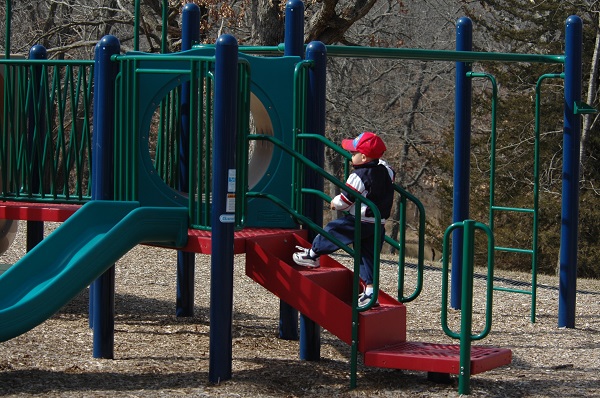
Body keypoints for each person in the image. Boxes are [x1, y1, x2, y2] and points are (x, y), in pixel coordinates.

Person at [293, 131, 395, 308]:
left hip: (360, 220)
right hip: (378, 223)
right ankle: (371, 293)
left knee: (333, 230)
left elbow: (346, 200)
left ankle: (313, 254)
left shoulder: (358, 176)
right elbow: (388, 168)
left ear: (363, 157)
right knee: (367, 257)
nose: (350, 156)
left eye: (353, 153)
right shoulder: (386, 171)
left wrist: (334, 203)